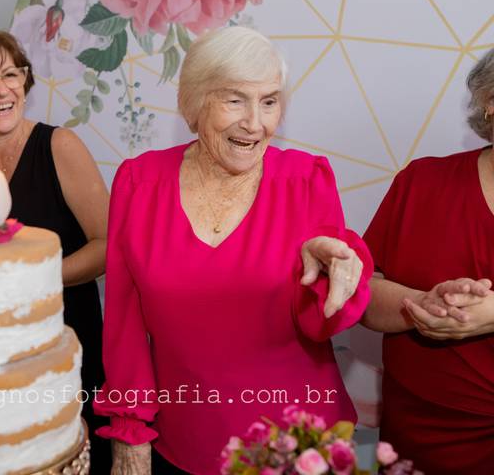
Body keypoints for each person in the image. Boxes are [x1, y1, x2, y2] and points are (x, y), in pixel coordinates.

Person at [94, 26, 374, 475]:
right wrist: (130, 431)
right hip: (184, 444)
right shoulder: (139, 183)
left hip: (297, 445)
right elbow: (124, 326)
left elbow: (320, 323)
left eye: (269, 101)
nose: (255, 123)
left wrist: (334, 274)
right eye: (235, 100)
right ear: (195, 103)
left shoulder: (306, 180)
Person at [0, 26, 111, 471]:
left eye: (11, 74)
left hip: (62, 341)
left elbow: (108, 245)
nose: (1, 90)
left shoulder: (60, 146)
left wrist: (38, 276)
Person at [361, 48, 494, 474]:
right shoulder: (422, 182)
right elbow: (363, 294)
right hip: (419, 437)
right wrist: (422, 304)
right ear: (490, 102)